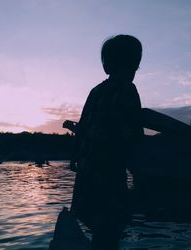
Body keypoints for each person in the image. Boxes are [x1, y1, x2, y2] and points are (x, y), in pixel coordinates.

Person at [64, 34, 144, 249]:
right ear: (134, 64)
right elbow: (133, 135)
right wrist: (138, 172)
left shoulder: (96, 91)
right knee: (110, 230)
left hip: (88, 173)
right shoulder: (127, 90)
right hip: (109, 173)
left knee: (98, 228)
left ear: (106, 65)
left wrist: (74, 158)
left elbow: (82, 129)